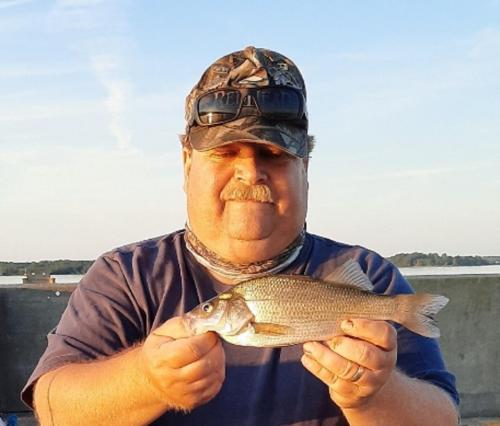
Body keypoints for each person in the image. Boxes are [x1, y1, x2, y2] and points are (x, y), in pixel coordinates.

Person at [23, 46, 459, 425]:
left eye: (273, 154)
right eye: (226, 152)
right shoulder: (125, 277)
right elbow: (53, 409)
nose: (250, 172)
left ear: (305, 168)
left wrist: (376, 395)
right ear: (187, 164)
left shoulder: (368, 275)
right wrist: (145, 381)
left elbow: (442, 418)